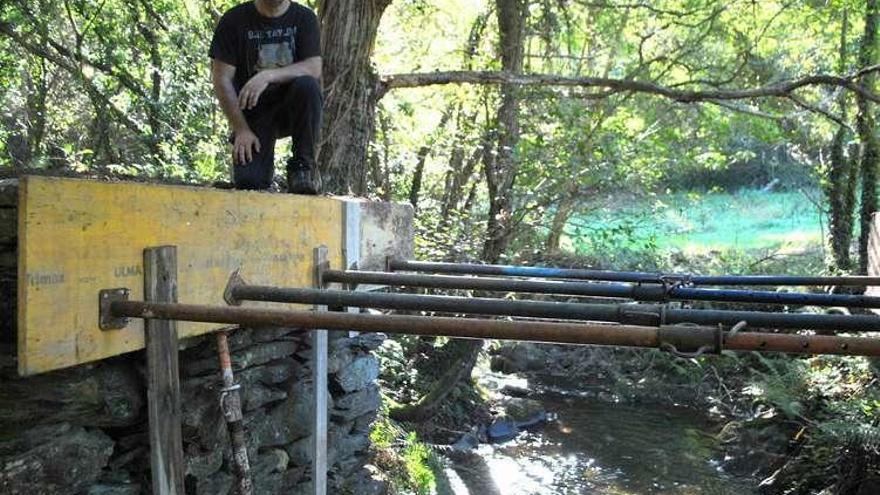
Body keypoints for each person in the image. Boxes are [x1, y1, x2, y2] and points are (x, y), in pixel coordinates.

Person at [209, 0, 322, 194]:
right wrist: (241, 129)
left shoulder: (304, 18)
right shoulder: (234, 20)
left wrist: (267, 75)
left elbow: (313, 67)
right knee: (249, 182)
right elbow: (222, 79)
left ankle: (302, 168)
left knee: (308, 85)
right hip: (254, 110)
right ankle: (259, 168)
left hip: (293, 106)